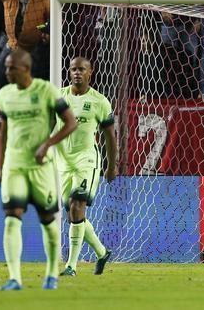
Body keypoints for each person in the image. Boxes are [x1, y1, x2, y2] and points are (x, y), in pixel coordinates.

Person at [0, 49, 77, 291]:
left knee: (47, 220)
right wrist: (1, 166)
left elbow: (70, 122)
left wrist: (48, 144)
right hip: (14, 165)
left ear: (26, 69)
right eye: (6, 67)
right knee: (12, 219)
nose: (7, 72)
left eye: (12, 68)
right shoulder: (4, 94)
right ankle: (14, 278)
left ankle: (51, 274)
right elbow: (4, 129)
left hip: (41, 167)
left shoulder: (45, 91)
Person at [57, 57, 117, 277]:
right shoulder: (59, 97)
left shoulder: (99, 101)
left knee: (77, 205)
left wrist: (111, 166)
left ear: (90, 72)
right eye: (73, 69)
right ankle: (102, 252)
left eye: (81, 69)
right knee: (73, 214)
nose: (77, 73)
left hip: (87, 160)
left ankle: (71, 266)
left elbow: (110, 135)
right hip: (64, 162)